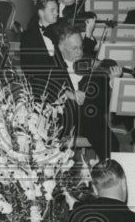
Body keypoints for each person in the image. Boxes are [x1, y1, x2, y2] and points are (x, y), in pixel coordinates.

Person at [43, 23, 114, 160]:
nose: (80, 52)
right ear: (61, 48)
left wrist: (111, 82)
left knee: (111, 143)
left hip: (89, 116)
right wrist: (68, 94)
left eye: (81, 47)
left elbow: (102, 104)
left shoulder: (89, 63)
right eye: (74, 48)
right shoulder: (53, 65)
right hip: (65, 118)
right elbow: (47, 90)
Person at [19, 0, 60, 87]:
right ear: (41, 13)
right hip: (40, 87)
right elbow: (28, 69)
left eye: (57, 10)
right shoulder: (28, 36)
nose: (57, 13)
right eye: (52, 10)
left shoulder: (60, 32)